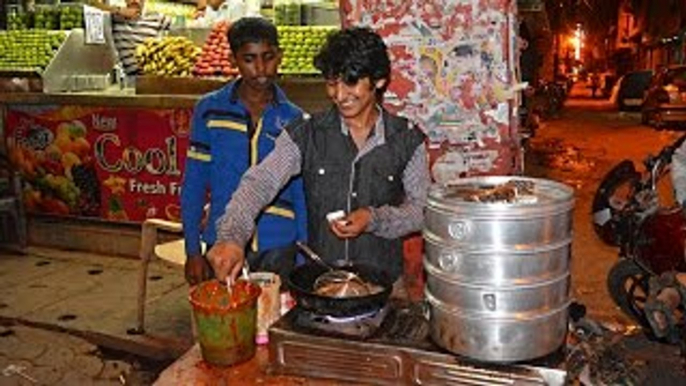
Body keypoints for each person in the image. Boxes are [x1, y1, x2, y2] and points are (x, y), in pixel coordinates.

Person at [207, 27, 430, 296]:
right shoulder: (305, 134)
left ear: (379, 80)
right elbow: (260, 182)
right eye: (331, 82)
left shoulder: (407, 139)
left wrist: (374, 218)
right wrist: (231, 237)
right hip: (324, 286)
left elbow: (422, 211)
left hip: (386, 288)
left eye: (351, 82)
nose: (339, 94)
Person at [181, 17, 308, 286]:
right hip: (222, 246)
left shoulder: (295, 118)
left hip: (279, 247)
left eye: (268, 57)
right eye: (249, 59)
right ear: (233, 60)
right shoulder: (210, 110)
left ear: (280, 56)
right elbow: (194, 183)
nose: (260, 68)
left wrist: (303, 257)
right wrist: (192, 250)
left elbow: (301, 195)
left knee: (273, 324)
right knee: (225, 324)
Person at [89, 0, 171, 77]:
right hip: (128, 77)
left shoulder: (157, 18)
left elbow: (180, 33)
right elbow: (90, 5)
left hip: (153, 75)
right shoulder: (115, 18)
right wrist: (118, 10)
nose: (136, 1)